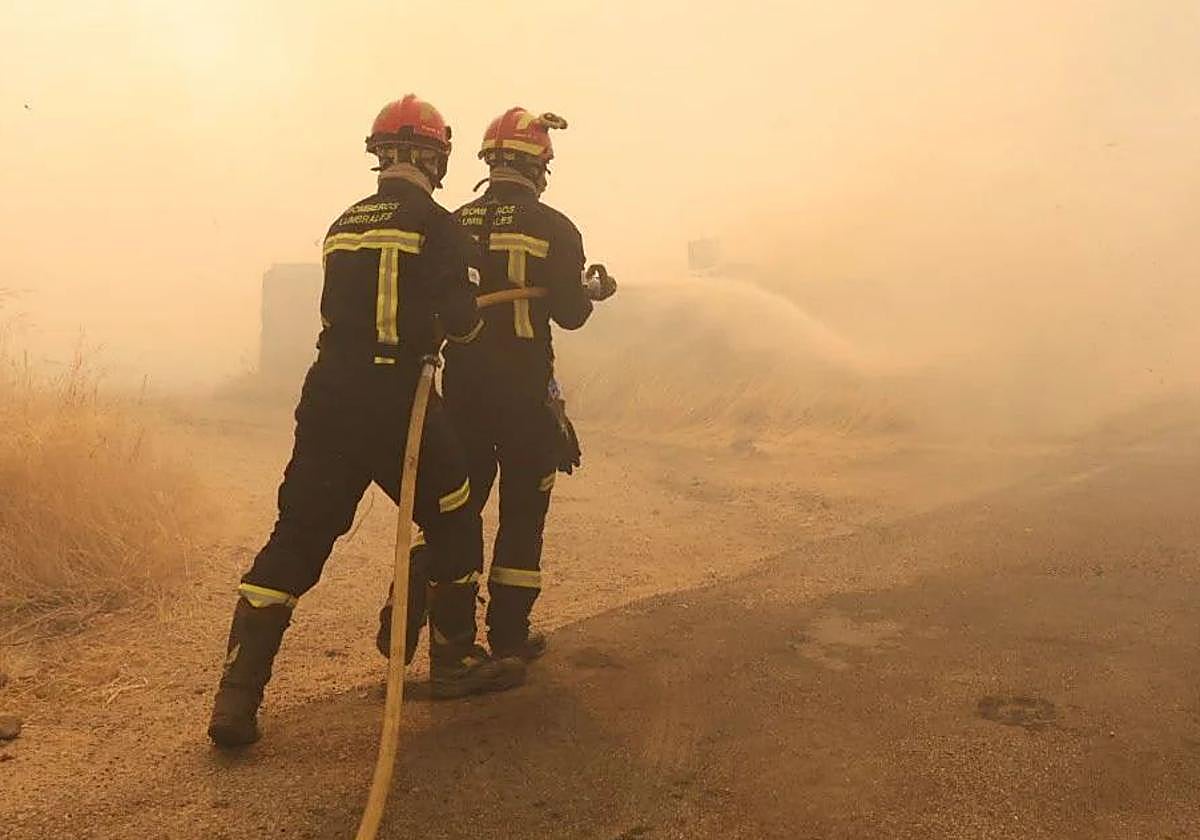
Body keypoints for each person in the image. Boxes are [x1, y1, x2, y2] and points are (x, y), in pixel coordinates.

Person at [208, 95, 525, 749]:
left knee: (297, 536)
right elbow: (462, 321)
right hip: (397, 399)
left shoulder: (343, 222)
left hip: (328, 397)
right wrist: (461, 322)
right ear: (436, 159)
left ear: (380, 156)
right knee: (454, 514)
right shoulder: (439, 226)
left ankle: (236, 697)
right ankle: (454, 660)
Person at [377, 107, 617, 666]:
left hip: (462, 392)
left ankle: (411, 599)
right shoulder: (554, 227)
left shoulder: (452, 221)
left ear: (491, 161)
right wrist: (590, 291)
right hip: (524, 395)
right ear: (536, 167)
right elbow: (570, 313)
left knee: (454, 511)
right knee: (523, 512)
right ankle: (509, 635)